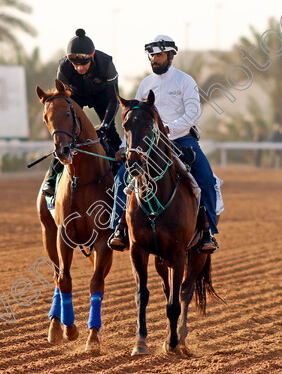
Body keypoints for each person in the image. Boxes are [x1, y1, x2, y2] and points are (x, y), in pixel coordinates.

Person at [109, 34, 221, 253]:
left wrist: (168, 129)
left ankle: (208, 232)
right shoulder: (146, 84)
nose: (154, 59)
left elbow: (193, 112)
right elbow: (133, 120)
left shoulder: (185, 80)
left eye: (159, 55)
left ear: (171, 56)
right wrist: (124, 147)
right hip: (148, 144)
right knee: (122, 176)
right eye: (151, 56)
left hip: (181, 139)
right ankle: (119, 229)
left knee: (206, 179)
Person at [41, 28, 122, 196]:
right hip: (75, 95)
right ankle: (52, 177)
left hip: (102, 96)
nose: (78, 67)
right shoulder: (64, 67)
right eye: (74, 63)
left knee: (111, 132)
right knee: (65, 137)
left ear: (92, 57)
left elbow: (114, 100)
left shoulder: (106, 63)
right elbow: (62, 98)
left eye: (83, 63)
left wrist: (105, 126)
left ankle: (122, 170)